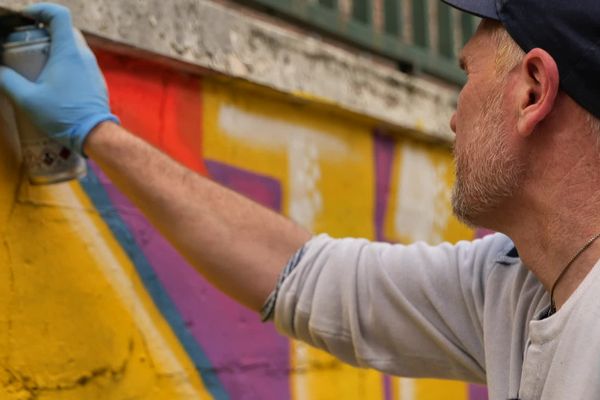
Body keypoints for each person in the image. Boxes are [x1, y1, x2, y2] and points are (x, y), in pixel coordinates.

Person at [1, 0, 600, 399]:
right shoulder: (515, 283)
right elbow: (305, 278)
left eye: (466, 76)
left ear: (532, 92)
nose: (450, 116)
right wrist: (98, 131)